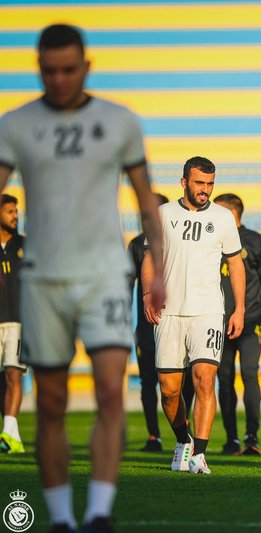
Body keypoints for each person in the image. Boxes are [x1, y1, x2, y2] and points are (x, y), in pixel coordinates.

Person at [0, 24, 166, 532]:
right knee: (50, 400)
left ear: (86, 67)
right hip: (43, 279)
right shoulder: (15, 125)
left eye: (68, 69)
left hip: (103, 276)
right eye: (49, 70)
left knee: (111, 391)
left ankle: (98, 511)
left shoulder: (119, 122)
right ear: (38, 69)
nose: (59, 79)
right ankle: (60, 518)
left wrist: (156, 265)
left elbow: (145, 201)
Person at [142, 156, 244, 476]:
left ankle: (199, 454)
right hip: (169, 312)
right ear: (184, 182)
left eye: (210, 184)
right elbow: (149, 258)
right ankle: (183, 440)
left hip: (208, 311)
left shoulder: (224, 218)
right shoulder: (163, 214)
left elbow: (236, 265)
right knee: (169, 391)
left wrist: (238, 308)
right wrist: (147, 293)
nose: (205, 190)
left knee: (205, 379)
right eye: (199, 183)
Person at [214, 193, 261, 456]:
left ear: (232, 215)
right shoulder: (210, 239)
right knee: (224, 378)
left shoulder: (256, 241)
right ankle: (231, 439)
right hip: (217, 321)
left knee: (250, 374)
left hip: (252, 319)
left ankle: (252, 436)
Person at [128, 192, 195, 452]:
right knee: (148, 381)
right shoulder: (136, 246)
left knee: (183, 379)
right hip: (148, 324)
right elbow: (125, 284)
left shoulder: (182, 241)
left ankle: (183, 426)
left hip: (178, 320)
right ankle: (153, 435)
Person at [0, 194, 26, 454]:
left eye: (16, 211)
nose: (15, 216)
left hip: (19, 322)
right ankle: (12, 437)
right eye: (9, 211)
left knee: (13, 374)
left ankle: (7, 433)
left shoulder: (26, 246)